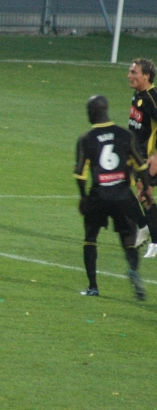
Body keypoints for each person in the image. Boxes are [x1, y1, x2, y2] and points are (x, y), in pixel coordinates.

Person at [74, 95, 152, 300]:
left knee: (90, 239)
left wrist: (83, 197)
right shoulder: (125, 135)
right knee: (129, 239)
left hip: (99, 195)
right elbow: (141, 166)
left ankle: (93, 287)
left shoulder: (86, 139)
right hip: (123, 196)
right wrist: (145, 190)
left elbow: (80, 174)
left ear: (93, 112)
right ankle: (133, 270)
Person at [127, 58, 157, 258]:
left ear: (146, 76)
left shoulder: (151, 99)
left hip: (148, 157)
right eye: (130, 71)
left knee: (145, 194)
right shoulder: (138, 96)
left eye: (134, 72)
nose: (129, 76)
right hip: (135, 154)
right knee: (122, 188)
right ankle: (145, 226)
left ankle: (155, 241)